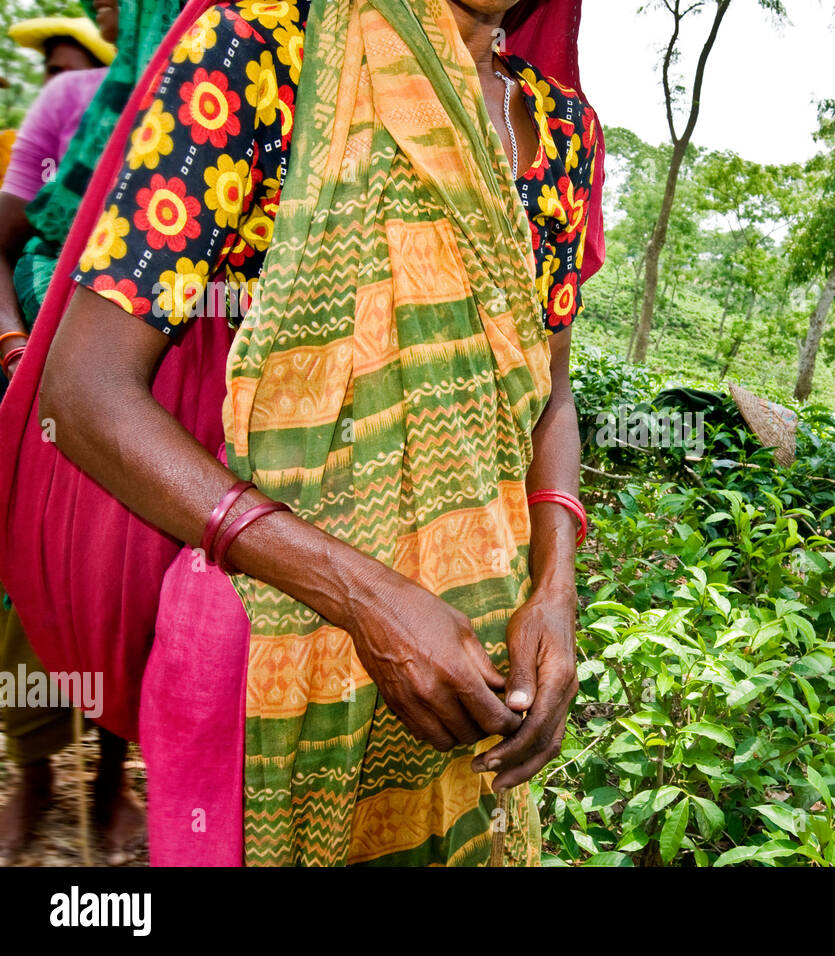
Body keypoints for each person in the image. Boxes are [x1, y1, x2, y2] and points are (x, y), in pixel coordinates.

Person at [3, 0, 604, 867]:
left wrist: (554, 590)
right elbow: (84, 389)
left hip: (474, 652)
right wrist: (366, 597)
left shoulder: (562, 131)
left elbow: (551, 390)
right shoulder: (259, 59)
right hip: (267, 638)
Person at [0, 4, 127, 865]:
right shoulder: (70, 100)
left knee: (126, 587)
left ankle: (112, 780)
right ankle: (35, 773)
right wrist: (13, 344)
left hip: (145, 398)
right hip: (35, 383)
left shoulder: (218, 90)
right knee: (25, 590)